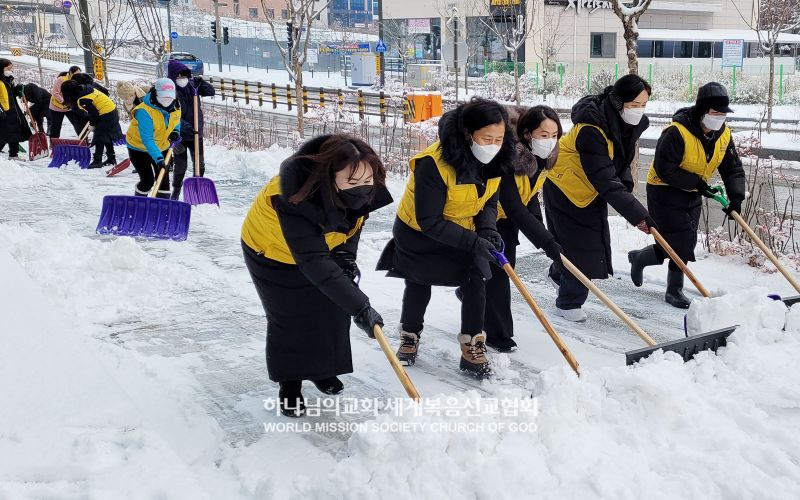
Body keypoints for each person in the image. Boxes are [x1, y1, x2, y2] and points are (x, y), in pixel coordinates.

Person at [241, 134, 392, 417]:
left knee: (333, 309)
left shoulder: (365, 186)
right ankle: (290, 385)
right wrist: (361, 306)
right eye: (351, 182)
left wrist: (346, 256)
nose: (361, 188)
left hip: (323, 249)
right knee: (290, 317)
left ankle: (322, 371)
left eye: (366, 181)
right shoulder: (292, 196)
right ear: (327, 177)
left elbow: (354, 223)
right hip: (271, 251)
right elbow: (313, 261)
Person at [376, 98, 515, 378]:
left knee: (477, 279)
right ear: (468, 134)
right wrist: (475, 241)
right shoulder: (433, 163)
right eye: (486, 138)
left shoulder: (498, 158)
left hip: (463, 228)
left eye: (499, 138)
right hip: (419, 232)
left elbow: (489, 201)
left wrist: (487, 230)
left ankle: (473, 345)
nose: (493, 145)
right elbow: (430, 220)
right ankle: (409, 335)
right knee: (418, 280)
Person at [542, 74, 654, 323]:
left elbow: (620, 162)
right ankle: (568, 303)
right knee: (581, 248)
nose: (639, 111)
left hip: (588, 187)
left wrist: (626, 191)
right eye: (634, 105)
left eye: (644, 105)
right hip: (564, 187)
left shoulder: (625, 125)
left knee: (589, 244)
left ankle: (558, 274)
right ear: (617, 102)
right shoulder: (591, 129)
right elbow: (604, 178)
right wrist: (637, 214)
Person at [628, 82, 745, 308]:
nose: (719, 118)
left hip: (692, 191)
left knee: (684, 242)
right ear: (702, 110)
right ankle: (674, 290)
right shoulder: (677, 132)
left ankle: (641, 258)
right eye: (715, 112)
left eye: (723, 113)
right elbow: (665, 168)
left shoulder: (723, 135)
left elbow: (732, 168)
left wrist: (736, 198)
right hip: (664, 190)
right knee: (678, 243)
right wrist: (698, 185)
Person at [482, 105, 564, 352]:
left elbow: (529, 197)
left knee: (503, 271)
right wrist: (548, 243)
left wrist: (542, 230)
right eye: (543, 135)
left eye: (554, 135)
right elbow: (514, 206)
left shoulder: (544, 159)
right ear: (528, 134)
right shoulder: (507, 158)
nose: (549, 141)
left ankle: (470, 294)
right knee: (499, 274)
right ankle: (498, 334)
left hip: (506, 220)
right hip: (485, 217)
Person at [166, 59, 215, 200]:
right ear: (173, 77)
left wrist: (202, 83)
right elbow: (171, 115)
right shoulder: (170, 92)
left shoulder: (193, 86)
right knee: (180, 165)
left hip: (196, 134)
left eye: (184, 75)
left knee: (199, 164)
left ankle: (197, 191)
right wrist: (185, 128)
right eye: (179, 76)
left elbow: (210, 92)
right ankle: (176, 192)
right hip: (179, 135)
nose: (182, 79)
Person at [125, 78, 181, 197]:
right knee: (147, 181)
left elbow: (176, 120)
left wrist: (175, 131)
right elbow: (147, 139)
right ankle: (139, 204)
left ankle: (162, 209)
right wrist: (159, 159)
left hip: (162, 146)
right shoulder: (144, 111)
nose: (167, 100)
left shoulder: (175, 106)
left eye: (169, 97)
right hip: (139, 148)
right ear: (155, 93)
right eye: (163, 97)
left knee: (163, 182)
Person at [61, 79, 124, 169]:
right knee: (105, 136)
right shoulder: (86, 88)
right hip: (110, 109)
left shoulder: (82, 99)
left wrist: (92, 124)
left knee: (99, 137)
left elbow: (94, 113)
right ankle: (111, 158)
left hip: (106, 113)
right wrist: (92, 122)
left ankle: (97, 161)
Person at [0, 59, 31, 159]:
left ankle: (13, 154)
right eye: (8, 68)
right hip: (3, 111)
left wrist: (17, 89)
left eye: (11, 68)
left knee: (14, 131)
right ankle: (13, 154)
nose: (10, 70)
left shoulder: (8, 79)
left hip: (13, 110)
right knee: (5, 134)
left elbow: (11, 93)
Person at [48, 66, 86, 138]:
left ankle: (83, 139)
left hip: (69, 107)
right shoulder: (61, 79)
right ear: (70, 73)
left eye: (79, 74)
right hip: (56, 108)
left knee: (77, 124)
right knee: (55, 127)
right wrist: (64, 102)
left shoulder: (77, 81)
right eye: (76, 74)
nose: (77, 76)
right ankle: (53, 142)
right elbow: (55, 93)